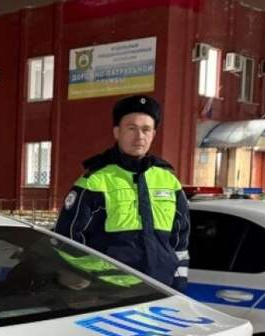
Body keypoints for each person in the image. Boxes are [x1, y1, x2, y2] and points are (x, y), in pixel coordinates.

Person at [54, 94, 190, 291]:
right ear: (117, 132)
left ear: (153, 134)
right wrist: (91, 281)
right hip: (109, 294)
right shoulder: (95, 181)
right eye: (131, 128)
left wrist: (179, 284)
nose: (139, 136)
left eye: (146, 129)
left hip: (160, 290)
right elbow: (67, 240)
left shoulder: (169, 182)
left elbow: (180, 242)